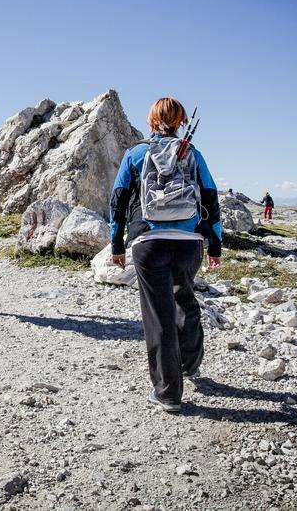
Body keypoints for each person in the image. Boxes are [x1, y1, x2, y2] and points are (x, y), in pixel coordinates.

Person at [108, 97, 223, 413]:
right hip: (189, 242)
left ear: (150, 122)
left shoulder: (136, 154)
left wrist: (117, 245)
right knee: (185, 298)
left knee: (158, 315)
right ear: (181, 122)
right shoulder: (193, 155)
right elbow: (211, 200)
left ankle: (168, 392)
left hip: (149, 242)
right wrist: (215, 245)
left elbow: (117, 203)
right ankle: (189, 363)